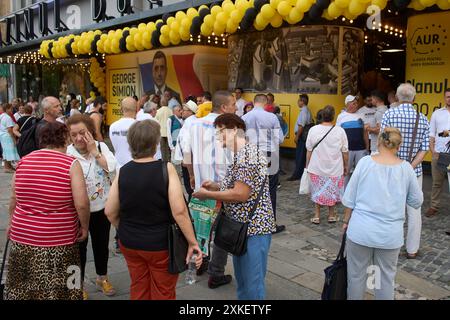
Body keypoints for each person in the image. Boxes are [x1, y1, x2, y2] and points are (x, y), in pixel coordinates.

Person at [105, 120, 202, 300]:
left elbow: (110, 211)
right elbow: (179, 211)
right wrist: (192, 242)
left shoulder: (123, 171)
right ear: (156, 143)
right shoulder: (166, 169)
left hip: (130, 242)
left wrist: (125, 228)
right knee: (163, 292)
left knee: (138, 286)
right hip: (160, 244)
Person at [193, 113, 276, 300]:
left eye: (220, 131)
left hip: (254, 229)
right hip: (243, 229)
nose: (218, 136)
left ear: (234, 130)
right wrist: (215, 186)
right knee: (244, 284)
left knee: (252, 287)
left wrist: (208, 194)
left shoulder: (247, 154)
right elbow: (238, 186)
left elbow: (240, 194)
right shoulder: (242, 153)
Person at [5, 122, 90, 300]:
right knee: (64, 286)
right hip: (60, 239)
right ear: (66, 139)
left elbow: (14, 199)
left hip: (23, 236)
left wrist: (11, 223)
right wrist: (84, 226)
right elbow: (81, 203)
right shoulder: (71, 164)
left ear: (41, 140)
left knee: (24, 288)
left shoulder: (24, 161)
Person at [342, 128, 423, 300]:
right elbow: (416, 201)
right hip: (389, 235)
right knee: (384, 280)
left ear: (378, 142)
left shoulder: (365, 163)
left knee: (356, 277)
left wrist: (345, 221)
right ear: (398, 146)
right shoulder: (406, 169)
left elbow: (349, 198)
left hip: (361, 230)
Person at [182, 91, 236, 288]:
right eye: (233, 104)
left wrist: (191, 174)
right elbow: (233, 159)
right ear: (224, 107)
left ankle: (198, 262)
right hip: (222, 188)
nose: (236, 108)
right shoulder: (229, 126)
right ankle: (216, 272)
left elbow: (186, 153)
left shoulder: (193, 123)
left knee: (200, 226)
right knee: (223, 232)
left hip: (201, 187)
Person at [66, 115, 117, 300]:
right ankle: (75, 286)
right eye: (74, 135)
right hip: (77, 212)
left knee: (101, 246)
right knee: (76, 251)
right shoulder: (67, 153)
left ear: (90, 131)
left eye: (82, 133)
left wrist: (95, 152)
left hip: (102, 208)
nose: (78, 138)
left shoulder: (101, 147)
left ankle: (102, 278)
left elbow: (112, 168)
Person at [381, 83, 430, 259]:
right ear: (414, 99)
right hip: (413, 171)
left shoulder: (389, 114)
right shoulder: (423, 118)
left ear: (397, 98)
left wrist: (396, 164)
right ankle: (412, 249)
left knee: (390, 208)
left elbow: (384, 143)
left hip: (391, 170)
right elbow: (425, 148)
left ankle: (389, 244)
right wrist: (410, 167)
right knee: (414, 210)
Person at [242, 94, 285, 234]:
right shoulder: (272, 117)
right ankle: (271, 223)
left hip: (251, 153)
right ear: (266, 103)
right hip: (269, 154)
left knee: (251, 186)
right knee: (271, 188)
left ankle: (250, 220)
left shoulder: (244, 118)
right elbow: (280, 139)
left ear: (254, 103)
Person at [306, 106, 349, 224]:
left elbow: (309, 150)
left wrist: (307, 165)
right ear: (333, 117)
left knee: (317, 190)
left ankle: (317, 215)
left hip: (316, 167)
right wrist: (346, 166)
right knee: (332, 191)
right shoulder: (340, 131)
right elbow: (345, 151)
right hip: (335, 168)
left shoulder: (313, 130)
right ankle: (331, 215)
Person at [425, 88, 450, 218]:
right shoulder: (437, 113)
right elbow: (431, 133)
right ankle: (434, 206)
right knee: (437, 182)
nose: (449, 99)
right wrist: (432, 150)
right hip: (439, 153)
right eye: (447, 96)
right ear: (444, 98)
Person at [336, 95, 369, 186]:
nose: (356, 105)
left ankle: (358, 193)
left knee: (360, 173)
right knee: (345, 171)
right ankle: (343, 195)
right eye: (353, 103)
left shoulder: (361, 115)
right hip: (347, 149)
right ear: (348, 104)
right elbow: (338, 134)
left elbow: (365, 133)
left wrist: (367, 147)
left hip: (360, 149)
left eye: (356, 103)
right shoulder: (341, 116)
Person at [174, 100, 198, 200]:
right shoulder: (189, 122)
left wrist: (190, 171)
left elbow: (187, 147)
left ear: (191, 112)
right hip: (188, 161)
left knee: (191, 189)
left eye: (184, 110)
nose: (182, 112)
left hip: (188, 162)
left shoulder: (190, 122)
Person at [288, 94, 313, 181]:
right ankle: (300, 173)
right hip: (304, 136)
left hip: (302, 137)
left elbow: (301, 125)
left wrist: (297, 136)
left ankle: (297, 174)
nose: (298, 102)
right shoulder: (306, 110)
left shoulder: (304, 111)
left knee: (299, 156)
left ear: (302, 101)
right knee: (302, 156)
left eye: (299, 100)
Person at [109, 97, 139, 171]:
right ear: (136, 109)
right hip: (136, 167)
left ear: (121, 109)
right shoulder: (139, 126)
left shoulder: (113, 126)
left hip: (119, 167)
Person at [0, 103, 20, 172]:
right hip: (7, 136)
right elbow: (10, 130)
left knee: (6, 151)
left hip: (2, 135)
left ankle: (8, 166)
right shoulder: (7, 117)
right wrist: (14, 138)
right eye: (11, 108)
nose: (12, 110)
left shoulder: (2, 115)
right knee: (9, 151)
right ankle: (7, 167)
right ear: (7, 109)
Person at [155, 98, 173, 162]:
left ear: (161, 103)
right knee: (169, 148)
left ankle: (163, 161)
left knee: (162, 149)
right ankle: (169, 161)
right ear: (167, 103)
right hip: (169, 133)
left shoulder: (157, 111)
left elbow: (155, 122)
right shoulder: (171, 111)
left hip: (161, 132)